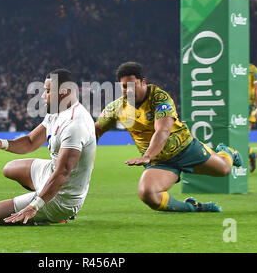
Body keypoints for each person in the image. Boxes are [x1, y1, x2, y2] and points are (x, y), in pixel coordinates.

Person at [95, 61, 242, 213]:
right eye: (124, 86)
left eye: (133, 85)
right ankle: (193, 207)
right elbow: (95, 131)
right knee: (148, 194)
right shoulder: (117, 107)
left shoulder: (160, 98)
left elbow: (163, 131)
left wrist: (147, 155)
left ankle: (227, 152)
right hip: (160, 162)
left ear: (143, 82)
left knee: (224, 169)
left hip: (186, 149)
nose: (129, 90)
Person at [0, 69, 96, 225]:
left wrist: (34, 206)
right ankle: (41, 194)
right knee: (9, 168)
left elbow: (63, 173)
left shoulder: (75, 124)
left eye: (47, 91)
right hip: (51, 172)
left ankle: (53, 214)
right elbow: (30, 141)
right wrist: (0, 143)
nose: (42, 96)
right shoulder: (57, 110)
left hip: (63, 196)